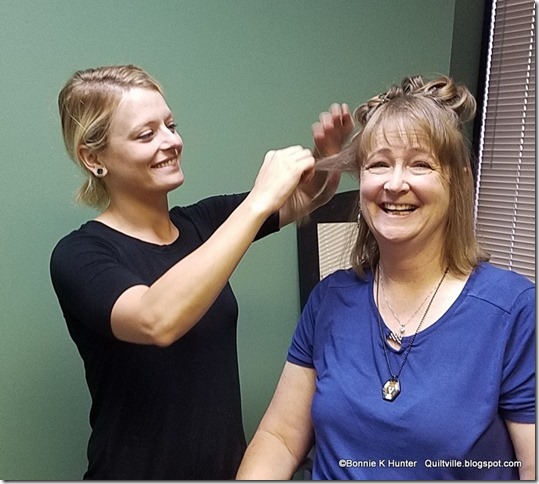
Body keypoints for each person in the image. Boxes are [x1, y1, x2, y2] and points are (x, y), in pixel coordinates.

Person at [49, 64, 354, 480]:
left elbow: (303, 198)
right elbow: (156, 319)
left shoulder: (202, 222)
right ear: (93, 157)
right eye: (146, 134)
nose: (171, 141)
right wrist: (257, 201)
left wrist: (327, 161)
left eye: (170, 125)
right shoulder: (80, 255)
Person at [236, 74, 535, 480]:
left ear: (460, 181)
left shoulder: (514, 310)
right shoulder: (329, 299)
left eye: (420, 164)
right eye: (378, 164)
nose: (394, 184)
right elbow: (281, 439)